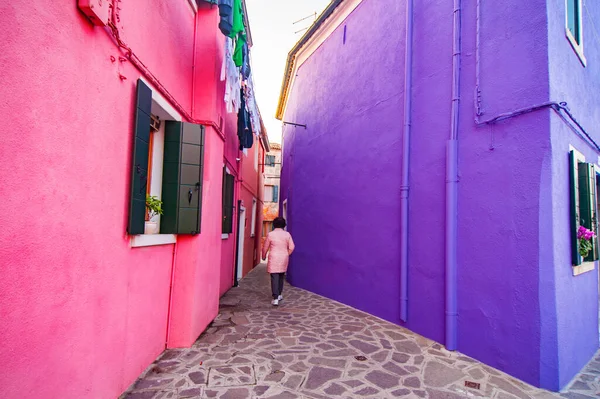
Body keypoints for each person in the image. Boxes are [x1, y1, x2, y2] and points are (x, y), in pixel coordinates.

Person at [261, 217, 295, 306]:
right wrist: (287, 253)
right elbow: (292, 247)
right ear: (284, 225)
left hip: (274, 257)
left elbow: (265, 247)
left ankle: (275, 297)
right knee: (281, 275)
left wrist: (263, 256)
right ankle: (279, 294)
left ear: (274, 224)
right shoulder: (287, 234)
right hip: (283, 256)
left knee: (274, 276)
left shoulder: (270, 234)